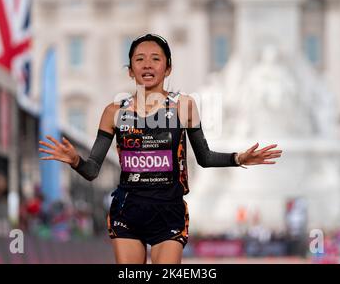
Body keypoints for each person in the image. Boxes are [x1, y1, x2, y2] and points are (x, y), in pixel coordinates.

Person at [39, 33, 282, 264]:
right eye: (139, 59)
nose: (147, 65)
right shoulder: (114, 112)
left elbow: (204, 157)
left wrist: (239, 158)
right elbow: (92, 170)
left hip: (169, 212)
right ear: (130, 70)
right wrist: (74, 160)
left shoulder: (184, 106)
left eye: (155, 59)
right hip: (127, 212)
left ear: (168, 69)